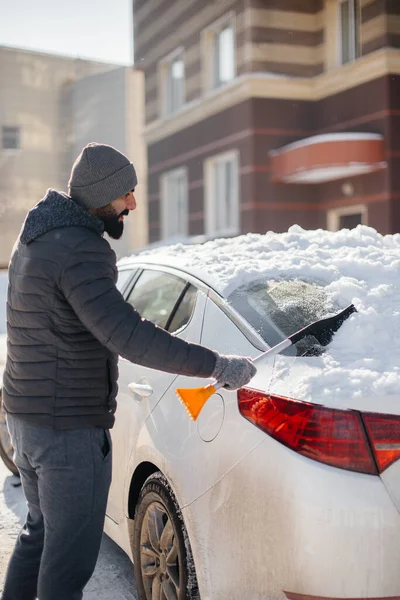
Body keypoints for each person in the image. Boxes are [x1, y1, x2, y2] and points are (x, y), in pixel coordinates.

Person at [1, 143, 256, 600]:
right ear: (102, 195)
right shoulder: (79, 250)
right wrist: (215, 364)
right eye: (126, 194)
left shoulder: (39, 236)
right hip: (67, 431)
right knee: (68, 558)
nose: (132, 204)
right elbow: (128, 336)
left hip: (28, 417)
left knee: (39, 536)